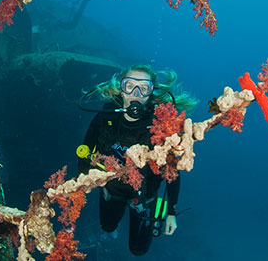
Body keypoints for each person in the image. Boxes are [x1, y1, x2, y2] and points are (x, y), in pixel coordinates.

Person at [77, 64, 197, 256]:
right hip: (111, 191)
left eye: (144, 88)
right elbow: (84, 151)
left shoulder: (159, 126)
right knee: (107, 227)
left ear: (151, 93)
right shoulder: (104, 118)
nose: (136, 93)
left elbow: (172, 172)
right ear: (120, 89)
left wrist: (172, 213)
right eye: (130, 85)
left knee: (138, 250)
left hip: (144, 198)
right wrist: (81, 185)